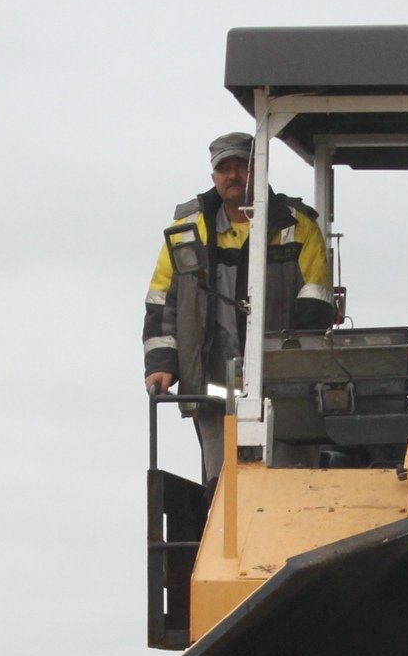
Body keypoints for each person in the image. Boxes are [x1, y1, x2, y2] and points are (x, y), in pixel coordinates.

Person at [142, 132, 334, 483]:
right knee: (222, 485)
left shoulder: (298, 226)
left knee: (287, 482)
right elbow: (161, 306)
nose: (233, 176)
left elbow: (316, 301)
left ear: (258, 170)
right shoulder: (185, 231)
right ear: (213, 176)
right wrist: (160, 365)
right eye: (224, 169)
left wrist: (294, 364)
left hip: (284, 390)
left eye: (241, 167)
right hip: (213, 387)